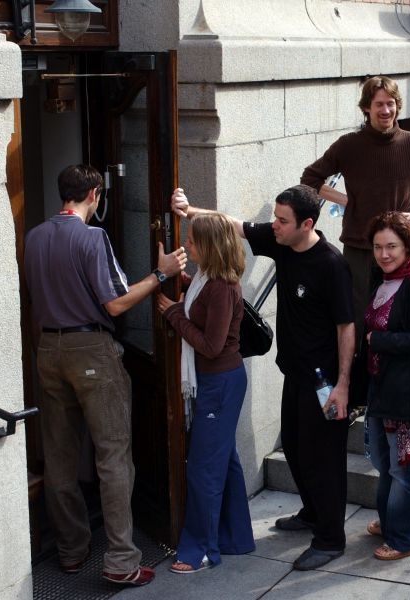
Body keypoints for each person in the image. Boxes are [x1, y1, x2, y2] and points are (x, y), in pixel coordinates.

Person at [171, 184, 355, 571]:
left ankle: (330, 539)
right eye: (274, 215)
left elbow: (345, 327)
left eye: (282, 220)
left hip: (323, 380)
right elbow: (232, 226)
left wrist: (342, 384)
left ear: (306, 224)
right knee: (294, 445)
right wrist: (189, 212)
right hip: (294, 372)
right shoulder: (281, 241)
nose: (273, 224)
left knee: (323, 458)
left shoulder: (331, 264)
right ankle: (311, 514)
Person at [24, 164, 187, 587]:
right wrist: (161, 273)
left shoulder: (35, 236)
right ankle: (120, 560)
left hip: (47, 349)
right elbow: (115, 304)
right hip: (89, 349)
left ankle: (71, 551)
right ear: (94, 194)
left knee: (59, 456)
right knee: (113, 456)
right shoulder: (92, 237)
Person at [300, 75, 410, 339]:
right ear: (366, 108)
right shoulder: (348, 145)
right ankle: (355, 376)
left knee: (399, 316)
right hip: (359, 248)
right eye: (379, 104)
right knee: (355, 318)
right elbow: (310, 178)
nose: (386, 110)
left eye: (390, 103)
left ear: (397, 106)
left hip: (400, 247)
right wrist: (346, 200)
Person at [155, 212, 255, 573]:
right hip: (215, 381)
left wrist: (175, 315)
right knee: (223, 461)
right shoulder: (204, 278)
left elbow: (211, 345)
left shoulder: (221, 287)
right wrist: (171, 275)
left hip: (219, 382)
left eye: (193, 241)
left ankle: (199, 552)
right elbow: (198, 304)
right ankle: (236, 538)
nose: (187, 245)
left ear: (210, 246)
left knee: (203, 470)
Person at [358, 212, 410, 561]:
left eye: (391, 246)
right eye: (378, 247)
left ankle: (407, 538)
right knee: (382, 458)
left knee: (404, 463)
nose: (384, 254)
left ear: (408, 247)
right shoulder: (382, 278)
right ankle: (391, 518)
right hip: (381, 388)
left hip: (404, 394)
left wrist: (381, 340)